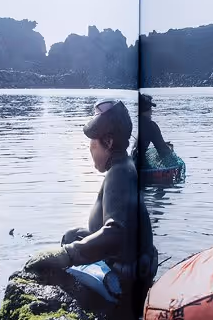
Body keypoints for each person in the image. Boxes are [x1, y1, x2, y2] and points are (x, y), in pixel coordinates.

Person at [24, 99, 157, 304]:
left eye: (92, 141)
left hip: (126, 274)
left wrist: (67, 255)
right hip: (133, 260)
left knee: (67, 248)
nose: (90, 148)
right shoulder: (124, 166)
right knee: (72, 235)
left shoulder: (119, 173)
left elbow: (116, 233)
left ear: (109, 142)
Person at [135, 93, 174, 166]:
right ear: (148, 109)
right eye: (151, 109)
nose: (151, 112)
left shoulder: (139, 123)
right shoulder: (151, 126)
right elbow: (164, 151)